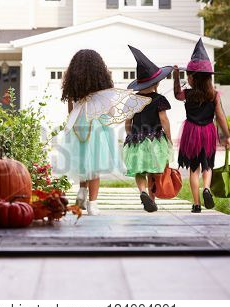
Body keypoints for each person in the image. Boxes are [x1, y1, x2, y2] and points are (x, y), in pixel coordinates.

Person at [60, 49, 151, 215]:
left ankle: (81, 197)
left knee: (82, 162)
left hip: (78, 127)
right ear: (99, 71)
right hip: (97, 128)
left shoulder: (75, 90)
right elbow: (111, 112)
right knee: (94, 165)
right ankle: (92, 204)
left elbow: (70, 111)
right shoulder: (104, 90)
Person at [174, 38, 230, 213]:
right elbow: (220, 116)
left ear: (192, 78)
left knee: (194, 169)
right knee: (207, 165)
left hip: (191, 132)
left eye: (188, 75)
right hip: (207, 131)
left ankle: (196, 203)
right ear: (208, 78)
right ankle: (206, 188)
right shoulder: (214, 95)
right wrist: (226, 136)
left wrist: (176, 77)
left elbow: (177, 94)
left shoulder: (188, 94)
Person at [123, 45, 174, 212]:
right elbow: (163, 119)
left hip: (137, 139)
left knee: (139, 169)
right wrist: (169, 137)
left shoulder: (132, 100)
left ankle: (143, 191)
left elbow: (127, 122)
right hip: (155, 140)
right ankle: (152, 199)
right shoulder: (159, 99)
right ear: (157, 82)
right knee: (154, 169)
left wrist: (130, 136)